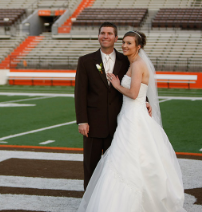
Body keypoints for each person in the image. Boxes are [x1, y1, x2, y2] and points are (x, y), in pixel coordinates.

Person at [77, 31, 186, 211]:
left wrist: (118, 85)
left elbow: (134, 93)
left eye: (129, 43)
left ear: (138, 46)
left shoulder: (136, 64)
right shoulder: (131, 63)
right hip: (126, 115)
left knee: (129, 157)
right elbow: (139, 91)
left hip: (133, 118)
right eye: (124, 43)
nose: (125, 46)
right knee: (127, 158)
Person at [74, 22, 151, 190]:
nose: (105, 36)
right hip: (93, 124)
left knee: (115, 167)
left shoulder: (127, 60)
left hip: (119, 124)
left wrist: (146, 101)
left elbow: (138, 83)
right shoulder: (86, 61)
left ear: (116, 38)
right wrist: (82, 121)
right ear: (98, 36)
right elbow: (80, 93)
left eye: (110, 33)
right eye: (103, 33)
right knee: (91, 166)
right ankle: (90, 203)